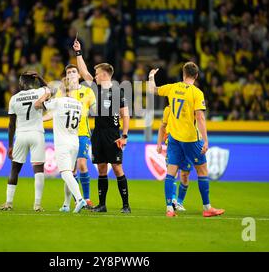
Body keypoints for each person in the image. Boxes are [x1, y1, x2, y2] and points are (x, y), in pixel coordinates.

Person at [148, 62, 224, 217]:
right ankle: (207, 207)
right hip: (190, 138)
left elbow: (153, 90)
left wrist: (151, 77)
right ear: (196, 76)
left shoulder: (173, 87)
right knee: (202, 170)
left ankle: (169, 208)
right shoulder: (197, 93)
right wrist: (206, 140)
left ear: (183, 74)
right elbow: (200, 117)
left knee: (171, 173)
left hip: (174, 138)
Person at [73, 38, 131, 213]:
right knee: (102, 168)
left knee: (117, 167)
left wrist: (125, 135)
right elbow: (83, 72)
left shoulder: (118, 91)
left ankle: (126, 205)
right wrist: (78, 53)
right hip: (98, 133)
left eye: (97, 73)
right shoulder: (96, 90)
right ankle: (102, 204)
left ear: (105, 74)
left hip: (113, 134)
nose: (94, 76)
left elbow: (125, 114)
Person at [44, 64, 97, 209]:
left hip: (82, 133)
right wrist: (41, 120)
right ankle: (70, 203)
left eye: (74, 71)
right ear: (66, 77)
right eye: (69, 72)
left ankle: (86, 199)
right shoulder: (62, 94)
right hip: (68, 136)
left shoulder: (88, 91)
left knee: (81, 164)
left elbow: (96, 111)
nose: (72, 74)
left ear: (79, 76)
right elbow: (53, 113)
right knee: (71, 171)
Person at [0, 71, 48, 212]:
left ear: (22, 83)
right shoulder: (39, 92)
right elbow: (50, 90)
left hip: (21, 135)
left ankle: (8, 202)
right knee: (38, 169)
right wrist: (40, 77)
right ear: (33, 82)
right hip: (37, 134)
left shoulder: (14, 99)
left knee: (15, 169)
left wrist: (10, 145)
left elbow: (11, 124)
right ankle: (37, 205)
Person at [35, 78, 87, 213]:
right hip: (74, 141)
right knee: (70, 172)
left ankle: (80, 199)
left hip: (63, 142)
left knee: (65, 174)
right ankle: (66, 204)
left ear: (61, 89)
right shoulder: (78, 104)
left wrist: (46, 94)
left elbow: (37, 104)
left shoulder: (58, 102)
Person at [156, 105, 188, 212]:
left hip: (187, 144)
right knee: (172, 173)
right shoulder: (168, 109)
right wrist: (159, 144)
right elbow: (162, 126)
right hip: (172, 145)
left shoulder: (190, 106)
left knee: (184, 175)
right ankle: (173, 200)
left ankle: (179, 202)